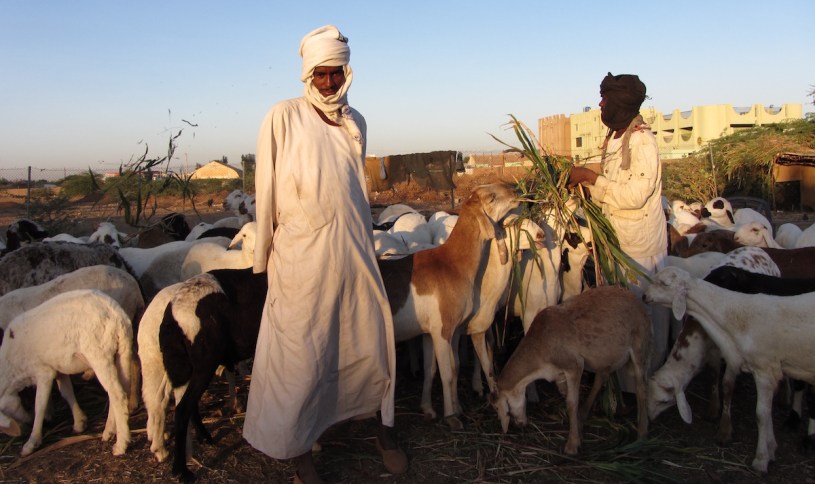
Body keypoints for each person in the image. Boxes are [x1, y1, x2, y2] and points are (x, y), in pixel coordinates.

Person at [244, 25, 407, 483]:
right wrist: (264, 260)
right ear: (307, 74)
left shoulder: (357, 121)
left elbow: (354, 189)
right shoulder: (283, 116)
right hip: (303, 261)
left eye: (336, 73)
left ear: (346, 71)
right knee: (302, 356)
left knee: (368, 343)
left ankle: (381, 429)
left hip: (353, 253)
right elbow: (267, 190)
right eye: (321, 74)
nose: (330, 83)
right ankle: (299, 451)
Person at [568, 72, 670, 383]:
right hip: (616, 242)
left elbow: (634, 195)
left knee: (642, 317)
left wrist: (590, 178)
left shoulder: (641, 141)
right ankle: (619, 384)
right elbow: (613, 185)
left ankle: (644, 387)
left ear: (621, 103)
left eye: (606, 99)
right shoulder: (614, 138)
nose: (600, 104)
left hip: (638, 250)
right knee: (618, 316)